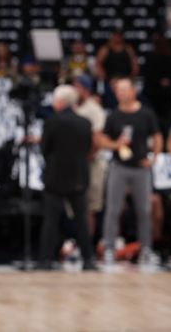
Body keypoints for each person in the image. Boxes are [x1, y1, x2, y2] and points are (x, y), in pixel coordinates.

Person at [97, 78, 163, 267]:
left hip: (141, 168)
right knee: (113, 209)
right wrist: (115, 145)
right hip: (119, 166)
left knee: (144, 210)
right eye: (118, 91)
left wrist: (154, 157)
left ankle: (146, 249)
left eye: (124, 90)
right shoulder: (114, 115)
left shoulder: (146, 113)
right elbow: (102, 140)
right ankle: (109, 248)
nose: (121, 93)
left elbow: (157, 136)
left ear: (133, 91)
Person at [37, 85, 96, 270]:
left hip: (55, 177)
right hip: (78, 176)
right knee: (81, 220)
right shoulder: (85, 123)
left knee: (51, 220)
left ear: (61, 101)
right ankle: (88, 260)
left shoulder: (52, 122)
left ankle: (45, 260)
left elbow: (44, 149)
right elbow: (88, 149)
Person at [72, 75, 107, 235]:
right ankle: (76, 243)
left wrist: (87, 156)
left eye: (77, 86)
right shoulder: (73, 107)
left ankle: (86, 248)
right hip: (75, 163)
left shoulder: (94, 109)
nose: (74, 89)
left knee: (89, 207)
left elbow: (98, 139)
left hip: (91, 163)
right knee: (75, 206)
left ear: (85, 89)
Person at [94, 31, 139, 108]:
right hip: (110, 81)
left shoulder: (128, 49)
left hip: (125, 80)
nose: (117, 38)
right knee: (110, 102)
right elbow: (98, 64)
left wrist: (130, 79)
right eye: (115, 36)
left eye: (119, 36)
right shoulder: (105, 49)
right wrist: (107, 79)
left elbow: (134, 64)